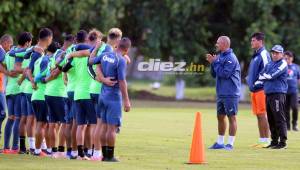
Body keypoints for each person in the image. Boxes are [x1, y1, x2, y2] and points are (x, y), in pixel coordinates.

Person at [90, 37, 131, 162]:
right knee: (111, 129)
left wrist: (101, 78)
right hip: (113, 98)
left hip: (102, 96)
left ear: (117, 45)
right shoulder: (121, 60)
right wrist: (127, 100)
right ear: (127, 50)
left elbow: (91, 61)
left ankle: (104, 155)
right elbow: (122, 81)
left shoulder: (105, 55)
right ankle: (110, 156)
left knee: (104, 127)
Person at [206, 36, 241, 150]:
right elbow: (214, 74)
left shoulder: (231, 58)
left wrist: (215, 63)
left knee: (232, 117)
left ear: (225, 44)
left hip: (230, 93)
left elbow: (224, 74)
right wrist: (212, 63)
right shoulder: (220, 56)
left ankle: (230, 144)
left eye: (218, 43)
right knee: (220, 117)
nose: (216, 45)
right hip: (221, 93)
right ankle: (220, 142)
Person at [3, 32, 33, 154]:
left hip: (8, 89)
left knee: (10, 118)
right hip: (17, 88)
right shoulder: (21, 53)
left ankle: (6, 147)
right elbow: (16, 69)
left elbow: (6, 67)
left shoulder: (10, 52)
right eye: (30, 42)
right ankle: (15, 147)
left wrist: (8, 73)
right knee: (18, 118)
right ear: (27, 42)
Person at [257, 45, 288, 149]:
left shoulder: (283, 63)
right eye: (273, 53)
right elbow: (261, 75)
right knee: (271, 118)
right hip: (269, 93)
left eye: (277, 53)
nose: (274, 55)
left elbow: (272, 75)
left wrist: (267, 76)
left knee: (279, 118)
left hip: (278, 94)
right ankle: (274, 141)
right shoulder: (270, 63)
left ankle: (282, 142)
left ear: (282, 54)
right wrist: (266, 76)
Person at [246, 32, 271, 147]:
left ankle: (267, 140)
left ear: (260, 42)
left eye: (254, 40)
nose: (251, 42)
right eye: (251, 40)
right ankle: (262, 141)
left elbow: (267, 71)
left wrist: (256, 83)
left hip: (261, 89)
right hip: (254, 90)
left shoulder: (264, 54)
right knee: (258, 115)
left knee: (262, 114)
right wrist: (249, 79)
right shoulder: (256, 55)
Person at [284, 51, 299, 131]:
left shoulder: (296, 67)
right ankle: (287, 126)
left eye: (288, 58)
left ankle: (295, 124)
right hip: (284, 91)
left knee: (295, 107)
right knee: (286, 109)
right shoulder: (282, 67)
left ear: (292, 58)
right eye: (285, 58)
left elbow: (299, 79)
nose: (287, 59)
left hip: (294, 91)